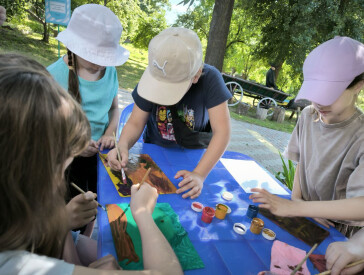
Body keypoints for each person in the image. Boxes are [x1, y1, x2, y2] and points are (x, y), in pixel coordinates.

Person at [0, 53, 183, 275]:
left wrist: (61, 225)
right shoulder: (16, 265)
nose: (60, 179)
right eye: (61, 165)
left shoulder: (17, 225)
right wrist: (143, 213)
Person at [249, 36, 364, 238]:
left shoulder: (360, 135)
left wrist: (299, 208)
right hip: (305, 211)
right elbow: (302, 162)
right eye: (315, 91)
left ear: (358, 86)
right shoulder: (308, 115)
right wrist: (297, 200)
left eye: (329, 93)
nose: (319, 102)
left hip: (342, 232)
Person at [107, 27, 232, 199]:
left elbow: (222, 132)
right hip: (154, 153)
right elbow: (135, 122)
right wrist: (122, 145)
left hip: (196, 158)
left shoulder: (210, 79)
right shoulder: (157, 70)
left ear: (196, 75)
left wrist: (200, 174)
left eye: (171, 87)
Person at [48, 4, 130, 196]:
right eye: (95, 57)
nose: (101, 64)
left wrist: (110, 132)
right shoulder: (52, 77)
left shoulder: (109, 72)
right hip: (64, 157)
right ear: (74, 47)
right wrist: (73, 144)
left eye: (106, 58)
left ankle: (87, 228)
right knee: (67, 203)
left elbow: (114, 109)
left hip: (99, 153)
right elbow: (44, 129)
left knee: (94, 200)